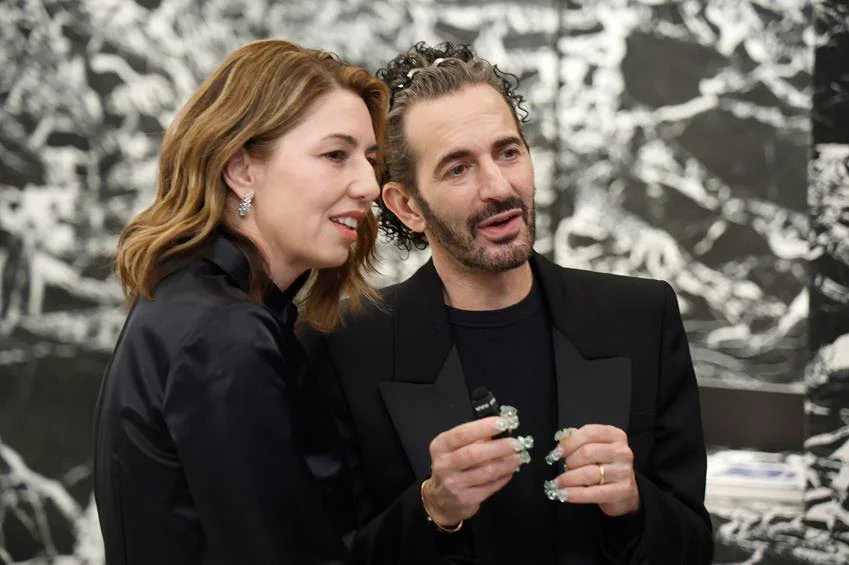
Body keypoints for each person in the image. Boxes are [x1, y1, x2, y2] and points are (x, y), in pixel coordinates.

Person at [302, 42, 714, 564]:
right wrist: (433, 508)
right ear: (407, 206)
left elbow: (694, 547)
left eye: (508, 152)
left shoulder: (641, 317)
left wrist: (634, 502)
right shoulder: (343, 343)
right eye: (458, 168)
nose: (499, 187)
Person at [93, 39, 388, 564]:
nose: (369, 183)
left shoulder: (185, 304)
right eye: (335, 155)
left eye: (369, 159)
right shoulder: (226, 334)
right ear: (242, 170)